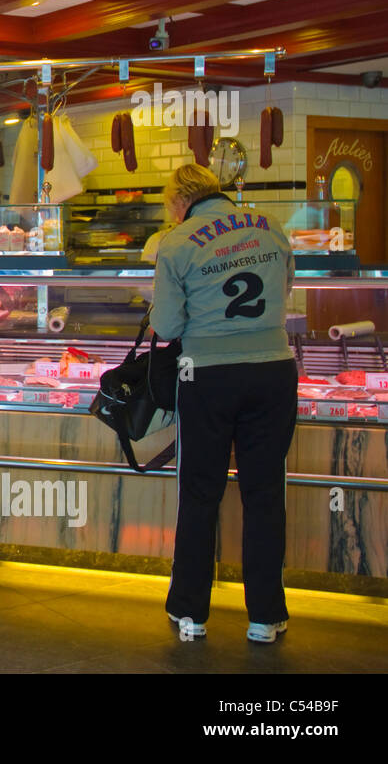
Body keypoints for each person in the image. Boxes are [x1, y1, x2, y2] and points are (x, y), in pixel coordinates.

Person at [150, 163, 296, 643]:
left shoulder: (176, 243)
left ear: (179, 202)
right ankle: (265, 617)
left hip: (207, 376)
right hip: (273, 370)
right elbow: (286, 292)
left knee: (200, 493)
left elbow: (168, 328)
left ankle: (191, 614)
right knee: (265, 493)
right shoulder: (271, 227)